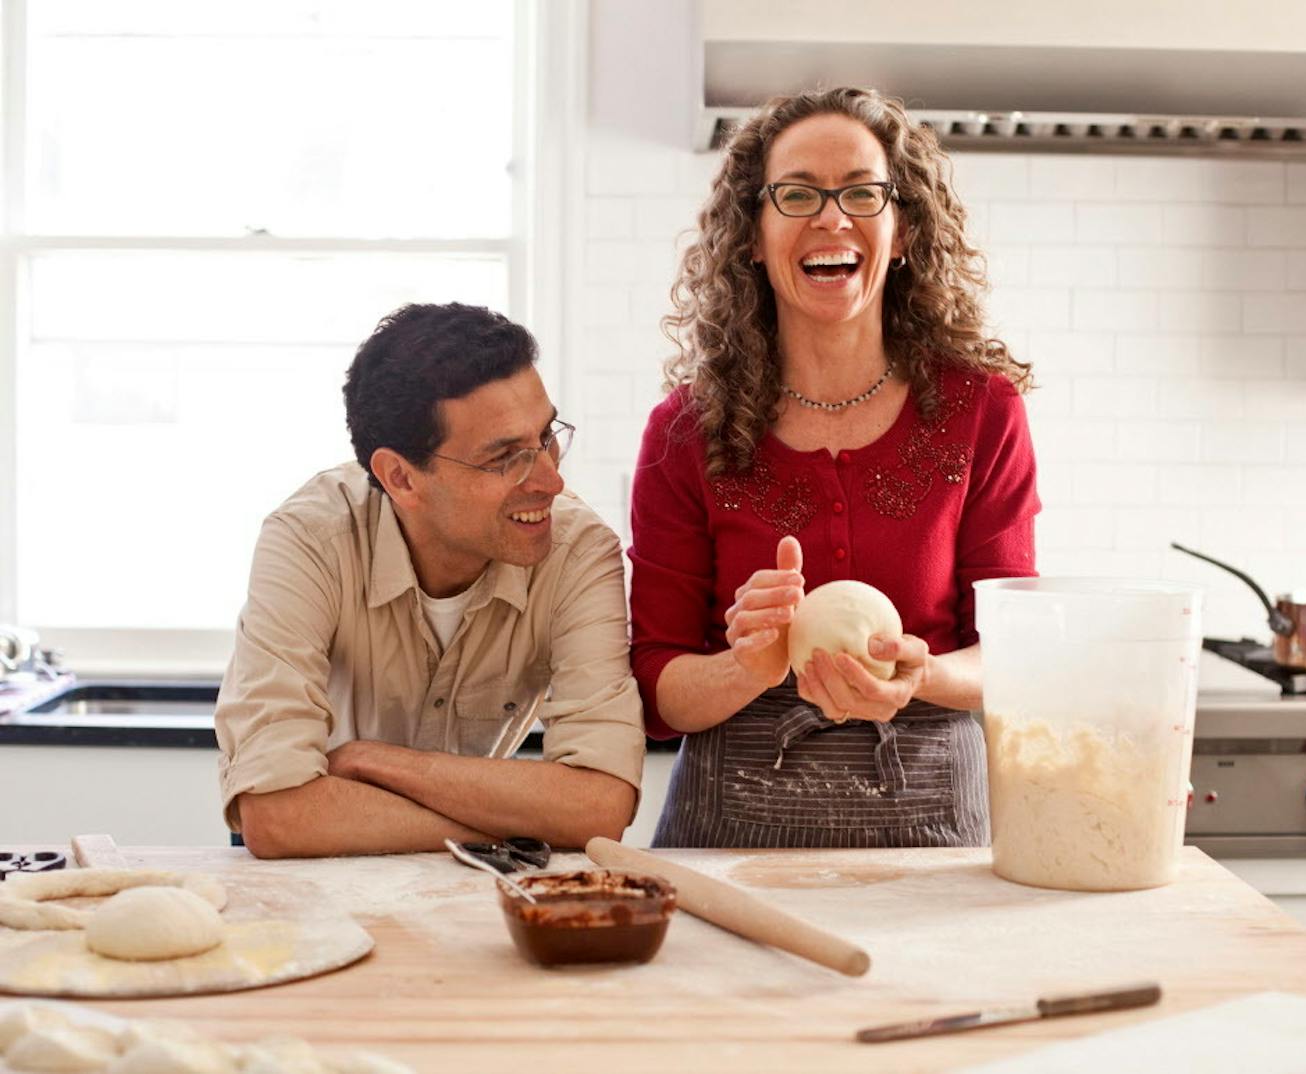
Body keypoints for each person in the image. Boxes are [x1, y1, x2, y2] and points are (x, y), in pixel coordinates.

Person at [629, 87, 1039, 848]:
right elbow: (658, 684)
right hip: (731, 849)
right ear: (749, 235)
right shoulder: (684, 432)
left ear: (904, 228)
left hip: (934, 843)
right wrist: (746, 666)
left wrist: (922, 674)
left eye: (861, 191)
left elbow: (1016, 651)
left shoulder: (982, 411)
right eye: (797, 194)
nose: (831, 216)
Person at [216, 303, 644, 858]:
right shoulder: (309, 539)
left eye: (546, 437)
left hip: (407, 843)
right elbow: (277, 816)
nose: (551, 480)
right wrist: (525, 825)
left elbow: (598, 808)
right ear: (400, 478)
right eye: (505, 458)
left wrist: (371, 761)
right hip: (314, 861)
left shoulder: (579, 550)